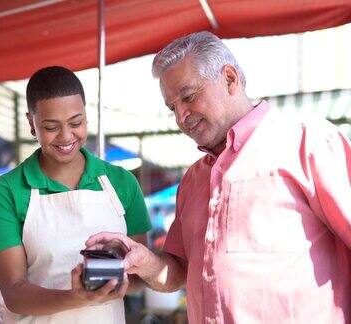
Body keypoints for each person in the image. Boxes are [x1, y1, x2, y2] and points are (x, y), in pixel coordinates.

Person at [86, 31, 351, 323]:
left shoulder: (307, 140)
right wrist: (144, 260)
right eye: (173, 107)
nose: (181, 117)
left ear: (230, 79)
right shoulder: (193, 179)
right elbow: (177, 273)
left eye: (188, 97)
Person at [0, 66, 151, 323]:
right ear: (31, 123)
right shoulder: (8, 191)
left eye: (76, 123)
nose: (66, 137)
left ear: (86, 116)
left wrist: (119, 271)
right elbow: (14, 294)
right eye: (51, 127)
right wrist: (75, 297)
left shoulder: (122, 183)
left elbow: (140, 278)